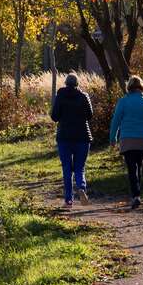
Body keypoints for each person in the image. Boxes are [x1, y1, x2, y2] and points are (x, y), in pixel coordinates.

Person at [108, 75, 143, 210]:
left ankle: (136, 195)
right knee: (139, 166)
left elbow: (116, 121)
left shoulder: (123, 102)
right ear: (142, 88)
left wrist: (112, 138)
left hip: (127, 139)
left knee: (132, 168)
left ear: (129, 88)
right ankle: (137, 194)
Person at [50, 73, 94, 207]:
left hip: (64, 137)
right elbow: (90, 115)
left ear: (65, 83)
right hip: (82, 137)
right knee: (80, 167)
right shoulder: (84, 96)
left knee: (67, 168)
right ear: (77, 83)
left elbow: (54, 117)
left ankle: (68, 200)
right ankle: (81, 187)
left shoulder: (60, 96)